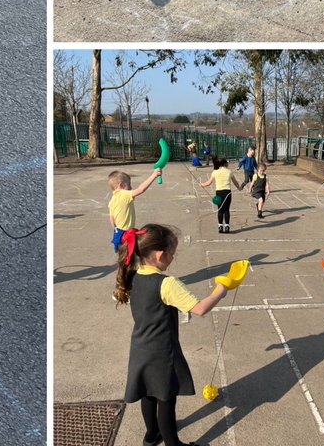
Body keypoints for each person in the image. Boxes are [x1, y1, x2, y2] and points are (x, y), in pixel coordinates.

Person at [116, 223, 231, 446]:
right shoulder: (166, 284)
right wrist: (220, 291)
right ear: (160, 255)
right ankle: (172, 443)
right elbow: (199, 309)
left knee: (148, 394)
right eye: (172, 254)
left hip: (140, 347)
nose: (173, 258)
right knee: (165, 399)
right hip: (162, 352)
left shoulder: (133, 274)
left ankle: (151, 436)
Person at [108, 166, 163, 253]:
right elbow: (140, 190)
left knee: (123, 256)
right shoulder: (123, 194)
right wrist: (154, 175)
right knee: (133, 254)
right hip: (127, 234)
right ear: (121, 185)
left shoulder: (112, 200)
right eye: (129, 184)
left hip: (118, 234)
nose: (131, 187)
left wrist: (116, 229)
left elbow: (111, 218)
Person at [199, 156, 237, 233]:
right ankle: (227, 227)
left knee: (220, 210)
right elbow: (235, 182)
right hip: (227, 193)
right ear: (225, 163)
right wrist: (239, 187)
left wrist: (202, 184)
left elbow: (208, 183)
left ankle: (220, 226)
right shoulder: (229, 172)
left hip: (219, 193)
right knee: (226, 210)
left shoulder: (215, 172)